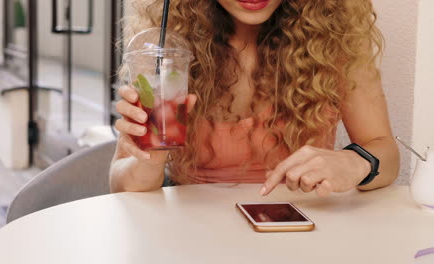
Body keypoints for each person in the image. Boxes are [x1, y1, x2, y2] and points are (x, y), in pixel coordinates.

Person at [109, 0, 400, 197]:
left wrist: (355, 162)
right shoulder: (167, 43)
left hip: (301, 236)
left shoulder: (337, 36)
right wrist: (150, 161)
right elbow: (122, 186)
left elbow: (386, 152)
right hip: (194, 237)